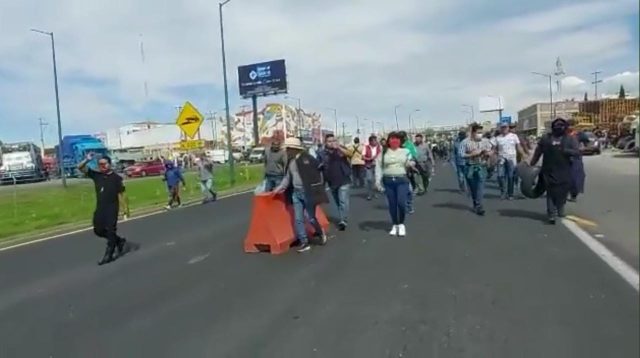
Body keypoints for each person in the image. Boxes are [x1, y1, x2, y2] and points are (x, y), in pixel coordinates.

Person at [273, 137, 328, 252]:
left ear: (294, 149)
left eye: (288, 149)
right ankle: (304, 241)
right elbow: (288, 177)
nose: (287, 151)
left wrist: (318, 187)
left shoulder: (307, 158)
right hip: (296, 193)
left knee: (310, 217)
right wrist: (280, 188)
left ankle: (319, 232)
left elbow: (319, 170)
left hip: (308, 192)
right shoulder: (291, 162)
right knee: (298, 218)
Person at [78, 153, 130, 265]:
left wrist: (125, 209)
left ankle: (109, 255)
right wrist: (87, 160)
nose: (101, 166)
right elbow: (80, 167)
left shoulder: (116, 178)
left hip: (112, 208)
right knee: (98, 230)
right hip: (100, 208)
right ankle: (119, 241)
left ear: (109, 164)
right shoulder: (97, 175)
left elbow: (122, 194)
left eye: (104, 164)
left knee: (111, 231)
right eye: (99, 164)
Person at [529, 118, 581, 224]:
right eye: (556, 125)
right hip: (548, 170)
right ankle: (551, 214)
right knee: (551, 192)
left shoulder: (570, 139)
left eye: (561, 125)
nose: (558, 127)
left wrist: (565, 151)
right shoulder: (546, 138)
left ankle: (560, 208)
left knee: (562, 192)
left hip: (564, 170)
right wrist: (532, 164)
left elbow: (577, 152)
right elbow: (538, 152)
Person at [375, 132, 415, 237]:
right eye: (392, 139)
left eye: (397, 139)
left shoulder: (405, 151)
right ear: (388, 141)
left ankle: (401, 224)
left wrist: (411, 163)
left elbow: (409, 162)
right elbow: (379, 167)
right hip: (388, 181)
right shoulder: (383, 152)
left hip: (401, 180)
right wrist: (377, 181)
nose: (394, 141)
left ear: (400, 141)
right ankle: (395, 224)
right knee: (392, 204)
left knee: (401, 203)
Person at [321, 134, 352, 231]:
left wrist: (338, 147)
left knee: (343, 201)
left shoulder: (340, 150)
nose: (331, 143)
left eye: (333, 140)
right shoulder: (322, 153)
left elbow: (350, 154)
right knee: (337, 201)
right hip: (331, 181)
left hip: (343, 179)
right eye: (329, 141)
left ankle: (343, 220)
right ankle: (342, 215)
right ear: (325, 143)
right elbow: (319, 166)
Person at [462, 123, 493, 215]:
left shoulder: (486, 141)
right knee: (473, 188)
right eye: (478, 132)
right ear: (473, 133)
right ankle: (475, 202)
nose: (480, 134)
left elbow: (491, 150)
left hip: (481, 166)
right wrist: (472, 154)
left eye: (481, 132)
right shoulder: (465, 142)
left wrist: (488, 154)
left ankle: (479, 205)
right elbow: (461, 154)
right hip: (470, 167)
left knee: (480, 186)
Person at [493, 122, 527, 200]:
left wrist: (524, 155)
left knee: (510, 177)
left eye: (505, 127)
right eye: (502, 127)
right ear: (500, 129)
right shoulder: (498, 138)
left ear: (508, 128)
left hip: (511, 159)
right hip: (501, 159)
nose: (504, 129)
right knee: (500, 176)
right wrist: (492, 158)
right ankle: (503, 192)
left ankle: (510, 194)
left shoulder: (514, 136)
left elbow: (518, 147)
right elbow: (494, 150)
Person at [398, 131, 417, 214]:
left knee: (409, 190)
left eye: (402, 138)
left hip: (407, 171)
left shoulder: (408, 146)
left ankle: (409, 206)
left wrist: (411, 163)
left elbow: (413, 156)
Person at [568, 129, 588, 202]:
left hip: (575, 158)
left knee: (575, 177)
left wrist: (582, 147)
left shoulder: (578, 134)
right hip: (567, 158)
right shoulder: (562, 134)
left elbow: (586, 142)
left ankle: (573, 195)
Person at [362, 135, 382, 200]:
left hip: (377, 166)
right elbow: (363, 157)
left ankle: (375, 193)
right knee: (369, 179)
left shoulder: (379, 147)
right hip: (369, 166)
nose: (375, 142)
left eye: (376, 140)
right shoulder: (366, 147)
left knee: (376, 180)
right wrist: (369, 158)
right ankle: (369, 194)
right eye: (373, 141)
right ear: (370, 141)